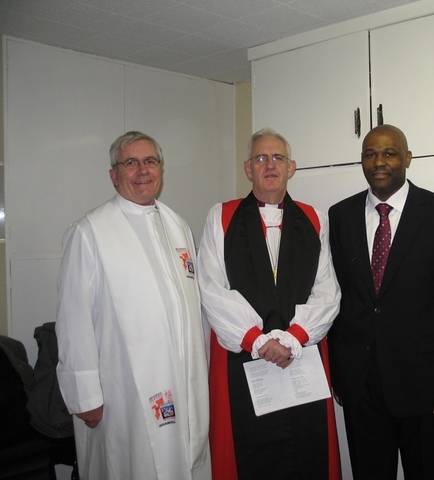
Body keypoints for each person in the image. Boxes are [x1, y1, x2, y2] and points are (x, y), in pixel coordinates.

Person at [55, 131, 211, 480]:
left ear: (161, 170)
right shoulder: (90, 232)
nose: (142, 170)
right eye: (131, 163)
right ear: (114, 174)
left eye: (150, 161)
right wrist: (85, 397)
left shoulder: (178, 225)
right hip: (121, 387)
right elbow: (72, 319)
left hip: (183, 379)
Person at [197, 127, 342, 479]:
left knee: (307, 455)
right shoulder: (222, 217)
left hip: (300, 354)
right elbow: (211, 289)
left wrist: (293, 337)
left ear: (291, 167)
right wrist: (257, 340)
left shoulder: (314, 219)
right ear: (248, 169)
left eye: (278, 158)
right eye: (261, 158)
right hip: (243, 358)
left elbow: (327, 290)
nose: (270, 165)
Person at [328, 124, 434, 479]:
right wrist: (339, 372)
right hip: (360, 385)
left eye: (389, 153)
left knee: (424, 471)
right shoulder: (340, 216)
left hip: (422, 383)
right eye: (370, 154)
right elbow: (338, 295)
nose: (379, 161)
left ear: (407, 158)